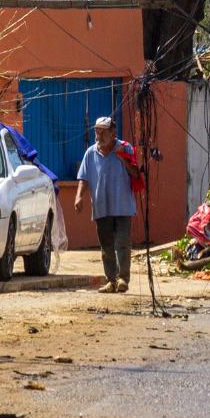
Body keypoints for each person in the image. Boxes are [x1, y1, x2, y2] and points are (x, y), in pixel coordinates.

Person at [75, 116, 136, 294]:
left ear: (113, 133)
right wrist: (79, 197)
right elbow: (83, 178)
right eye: (97, 131)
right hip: (101, 206)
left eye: (103, 132)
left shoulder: (125, 148)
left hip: (123, 206)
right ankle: (111, 280)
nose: (99, 136)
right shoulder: (90, 153)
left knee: (122, 243)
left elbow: (135, 173)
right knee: (106, 246)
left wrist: (123, 158)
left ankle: (123, 279)